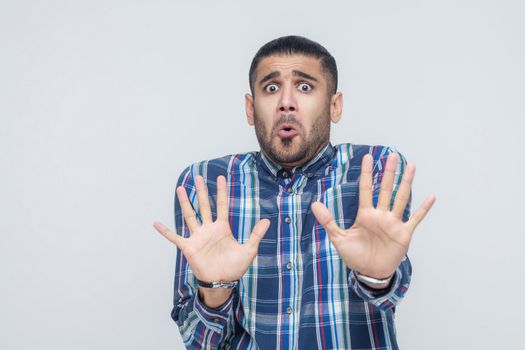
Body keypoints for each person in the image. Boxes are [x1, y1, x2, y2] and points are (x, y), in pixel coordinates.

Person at [153, 35, 435, 350]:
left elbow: (388, 298)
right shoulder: (205, 184)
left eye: (305, 87)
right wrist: (215, 289)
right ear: (250, 108)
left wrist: (377, 277)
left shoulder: (375, 170)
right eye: (271, 88)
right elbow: (199, 341)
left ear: (334, 106)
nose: (286, 102)